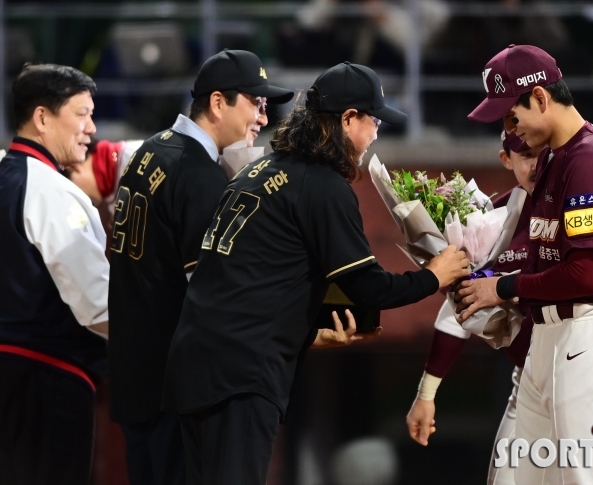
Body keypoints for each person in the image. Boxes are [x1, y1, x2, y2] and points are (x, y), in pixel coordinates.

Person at [162, 61, 471, 485]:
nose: (377, 132)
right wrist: (435, 275)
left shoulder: (259, 169)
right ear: (348, 119)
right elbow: (367, 288)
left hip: (198, 364)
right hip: (240, 377)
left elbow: (251, 282)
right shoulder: (321, 185)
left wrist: (308, 332)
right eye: (374, 119)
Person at [406, 131, 593, 484]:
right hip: (534, 374)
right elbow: (462, 306)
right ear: (507, 160)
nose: (536, 164)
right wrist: (427, 393)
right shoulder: (492, 222)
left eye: (543, 154)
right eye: (525, 155)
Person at [453, 44, 593, 484]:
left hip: (589, 334)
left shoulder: (587, 160)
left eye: (513, 117)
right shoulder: (558, 160)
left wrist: (503, 288)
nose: (512, 130)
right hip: (550, 337)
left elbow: (584, 274)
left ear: (543, 98)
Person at [107, 50, 294, 485]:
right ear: (217, 103)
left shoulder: (150, 150)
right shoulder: (198, 176)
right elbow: (215, 296)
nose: (263, 119)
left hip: (135, 377)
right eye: (257, 104)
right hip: (174, 391)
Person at [0, 64, 109, 484]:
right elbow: (99, 308)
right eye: (81, 114)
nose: (91, 127)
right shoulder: (52, 190)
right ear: (42, 118)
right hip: (46, 381)